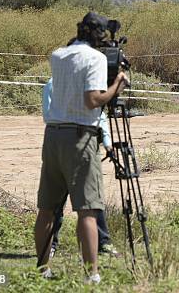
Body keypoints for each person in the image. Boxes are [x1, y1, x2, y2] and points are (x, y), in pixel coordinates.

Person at [34, 12, 128, 284]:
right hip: (80, 136)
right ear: (98, 35)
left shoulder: (58, 55)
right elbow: (93, 100)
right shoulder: (96, 59)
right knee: (87, 209)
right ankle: (92, 274)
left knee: (48, 208)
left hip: (53, 135)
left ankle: (43, 269)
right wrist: (116, 86)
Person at [41, 77, 119, 259]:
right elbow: (48, 114)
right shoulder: (52, 85)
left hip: (87, 143)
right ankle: (51, 245)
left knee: (92, 198)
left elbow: (100, 115)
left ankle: (102, 242)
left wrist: (107, 141)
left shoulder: (88, 84)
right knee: (56, 201)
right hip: (64, 142)